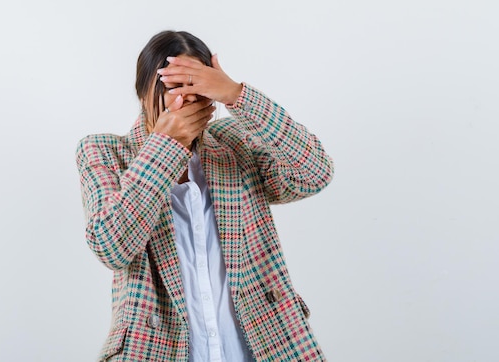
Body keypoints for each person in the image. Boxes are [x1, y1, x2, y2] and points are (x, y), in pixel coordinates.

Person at [76, 30, 334, 361]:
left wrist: (237, 94)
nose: (185, 102)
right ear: (143, 93)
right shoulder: (105, 152)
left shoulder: (234, 143)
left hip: (260, 347)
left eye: (197, 89)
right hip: (157, 351)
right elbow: (112, 246)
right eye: (172, 89)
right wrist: (166, 146)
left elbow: (314, 173)